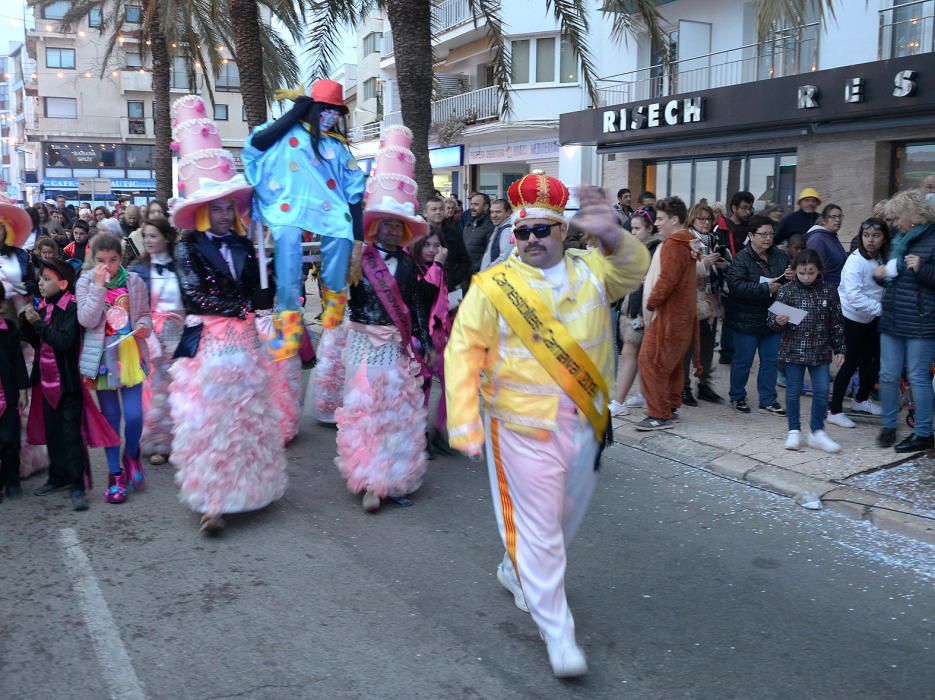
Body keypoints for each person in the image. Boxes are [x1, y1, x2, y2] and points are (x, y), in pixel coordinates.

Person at [445, 175, 648, 678]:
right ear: (512, 236)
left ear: (563, 232)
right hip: (520, 426)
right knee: (541, 530)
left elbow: (634, 271)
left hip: (584, 424)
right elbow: (463, 351)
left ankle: (516, 569)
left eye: (542, 230)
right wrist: (464, 420)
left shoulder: (592, 272)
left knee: (560, 521)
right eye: (523, 232)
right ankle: (558, 634)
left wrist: (616, 236)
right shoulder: (494, 288)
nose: (532, 239)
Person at [168, 94, 287, 534]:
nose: (221, 214)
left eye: (226, 206)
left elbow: (261, 294)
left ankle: (248, 490)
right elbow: (195, 295)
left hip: (245, 347)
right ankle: (211, 503)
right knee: (211, 422)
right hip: (210, 347)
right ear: (202, 210)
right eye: (214, 207)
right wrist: (244, 307)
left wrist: (265, 268)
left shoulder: (244, 244)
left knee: (247, 418)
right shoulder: (187, 247)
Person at [335, 126, 432, 513]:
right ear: (375, 225)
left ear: (405, 229)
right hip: (362, 343)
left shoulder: (409, 263)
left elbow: (414, 304)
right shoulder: (359, 258)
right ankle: (369, 478)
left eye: (398, 223)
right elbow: (336, 287)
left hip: (395, 345)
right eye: (386, 222)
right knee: (365, 411)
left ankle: (393, 477)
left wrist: (423, 338)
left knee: (395, 413)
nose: (391, 228)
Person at [243, 79, 366, 359]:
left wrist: (357, 239)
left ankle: (333, 310)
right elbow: (258, 142)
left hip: (329, 208)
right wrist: (296, 112)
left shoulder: (338, 148)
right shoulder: (287, 133)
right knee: (286, 237)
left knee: (340, 234)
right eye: (326, 109)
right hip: (288, 204)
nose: (331, 117)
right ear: (314, 108)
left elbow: (354, 193)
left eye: (336, 112)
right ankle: (289, 320)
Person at [21, 258, 109, 511]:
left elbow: (63, 342)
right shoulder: (45, 306)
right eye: (40, 278)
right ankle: (57, 477)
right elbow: (40, 345)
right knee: (54, 435)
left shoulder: (71, 307)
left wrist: (37, 323)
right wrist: (29, 326)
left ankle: (77, 486)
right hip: (46, 384)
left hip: (67, 385)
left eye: (46, 279)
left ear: (63, 282)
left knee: (71, 437)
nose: (40, 283)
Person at [77, 232, 152, 503]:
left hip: (131, 354)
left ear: (121, 258)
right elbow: (86, 319)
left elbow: (144, 314)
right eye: (101, 260)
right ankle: (115, 474)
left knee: (133, 416)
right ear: (92, 259)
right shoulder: (86, 282)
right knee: (111, 419)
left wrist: (144, 326)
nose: (107, 266)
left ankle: (131, 453)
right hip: (102, 358)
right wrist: (98, 287)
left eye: (113, 259)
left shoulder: (134, 281)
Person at [875, 190, 935, 453]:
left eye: (897, 217)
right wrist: (880, 275)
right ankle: (888, 426)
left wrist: (923, 268)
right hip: (893, 318)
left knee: (918, 377)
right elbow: (892, 277)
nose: (894, 223)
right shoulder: (899, 240)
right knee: (887, 375)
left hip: (922, 321)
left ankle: (923, 433)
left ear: (913, 215)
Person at [770, 250, 846, 453]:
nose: (806, 277)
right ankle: (793, 430)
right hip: (793, 350)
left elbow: (836, 323)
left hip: (820, 350)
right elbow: (771, 319)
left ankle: (817, 431)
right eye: (802, 273)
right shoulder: (787, 291)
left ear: (818, 271)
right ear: (795, 271)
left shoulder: (829, 291)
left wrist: (839, 348)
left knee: (822, 390)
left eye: (810, 272)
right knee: (793, 392)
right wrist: (777, 321)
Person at [636, 196, 701, 430]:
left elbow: (667, 281)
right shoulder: (689, 243)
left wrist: (651, 303)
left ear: (675, 219)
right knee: (671, 364)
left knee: (650, 362)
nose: (657, 223)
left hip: (669, 316)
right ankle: (671, 406)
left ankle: (659, 414)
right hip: (683, 316)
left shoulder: (674, 244)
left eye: (661, 219)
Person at [129, 219, 185, 465]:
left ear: (166, 237)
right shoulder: (138, 268)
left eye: (153, 235)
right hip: (152, 336)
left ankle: (183, 440)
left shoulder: (183, 265)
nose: (149, 241)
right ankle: (159, 443)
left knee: (182, 388)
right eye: (146, 236)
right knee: (155, 391)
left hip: (180, 333)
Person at [726, 215, 792, 415]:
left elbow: (790, 284)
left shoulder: (781, 256)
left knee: (770, 361)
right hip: (746, 318)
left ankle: (768, 399)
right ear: (751, 235)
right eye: (763, 234)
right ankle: (737, 396)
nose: (768, 238)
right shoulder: (742, 259)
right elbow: (736, 286)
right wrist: (766, 288)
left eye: (771, 234)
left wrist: (789, 279)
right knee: (743, 361)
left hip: (774, 316)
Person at [828, 218, 889, 427]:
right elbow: (853, 295)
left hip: (872, 319)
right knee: (849, 363)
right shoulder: (855, 261)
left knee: (874, 361)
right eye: (866, 235)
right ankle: (834, 410)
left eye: (876, 235)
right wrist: (881, 310)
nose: (870, 240)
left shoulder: (882, 258)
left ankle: (860, 400)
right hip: (852, 318)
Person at [609, 209, 660, 416]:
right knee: (636, 355)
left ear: (650, 229)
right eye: (631, 228)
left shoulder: (655, 249)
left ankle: (620, 401)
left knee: (630, 353)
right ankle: (642, 394)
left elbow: (649, 284)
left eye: (637, 229)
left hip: (642, 310)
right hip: (631, 307)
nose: (633, 232)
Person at [412, 228, 453, 456]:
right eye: (427, 245)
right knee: (423, 391)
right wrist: (437, 266)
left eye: (436, 245)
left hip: (442, 337)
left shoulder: (440, 268)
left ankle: (439, 431)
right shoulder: (413, 270)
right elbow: (423, 297)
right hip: (421, 340)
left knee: (452, 386)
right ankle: (421, 438)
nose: (432, 250)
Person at [684, 202, 727, 405]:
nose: (706, 223)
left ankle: (704, 385)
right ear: (692, 219)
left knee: (708, 346)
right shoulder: (687, 240)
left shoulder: (715, 240)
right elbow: (682, 272)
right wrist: (705, 263)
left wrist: (723, 265)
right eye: (702, 219)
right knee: (688, 347)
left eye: (709, 219)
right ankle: (683, 387)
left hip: (712, 300)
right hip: (692, 301)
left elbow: (726, 266)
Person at [718, 191, 755, 365]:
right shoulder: (722, 228)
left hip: (746, 276)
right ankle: (727, 353)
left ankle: (735, 351)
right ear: (734, 208)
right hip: (727, 277)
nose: (747, 212)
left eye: (749, 208)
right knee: (730, 316)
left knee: (739, 315)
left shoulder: (751, 228)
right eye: (744, 208)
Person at [0, 283, 28, 501]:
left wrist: (22, 389)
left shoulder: (8, 330)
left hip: (7, 397)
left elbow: (18, 362)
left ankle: (12, 480)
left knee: (10, 441)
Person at [422, 195, 470, 289]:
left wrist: (452, 279)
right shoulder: (418, 234)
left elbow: (465, 262)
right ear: (425, 213)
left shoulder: (453, 233)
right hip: (424, 285)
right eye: (434, 209)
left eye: (441, 209)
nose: (438, 212)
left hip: (448, 286)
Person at [805, 204, 847, 288]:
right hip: (826, 291)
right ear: (824, 220)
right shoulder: (817, 239)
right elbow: (815, 270)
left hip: (837, 288)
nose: (838, 220)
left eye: (840, 216)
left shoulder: (831, 236)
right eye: (833, 217)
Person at [463, 192, 494, 274]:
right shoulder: (468, 224)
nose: (472, 207)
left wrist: (475, 268)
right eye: (471, 204)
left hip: (479, 274)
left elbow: (490, 254)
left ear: (486, 207)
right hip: (465, 275)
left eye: (476, 204)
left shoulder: (490, 227)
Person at [480, 198, 514, 271]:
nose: (493, 215)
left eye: (498, 212)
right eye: (492, 212)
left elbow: (505, 258)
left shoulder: (507, 230)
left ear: (508, 212)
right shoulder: (499, 227)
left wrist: (487, 271)